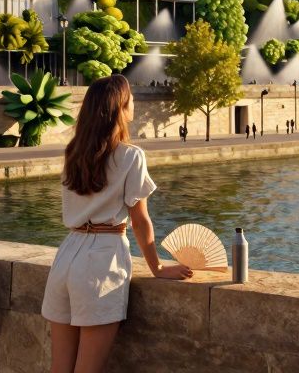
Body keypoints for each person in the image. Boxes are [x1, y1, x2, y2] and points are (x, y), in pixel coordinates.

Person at [42, 75, 191, 373]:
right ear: (120, 108)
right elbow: (140, 220)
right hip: (102, 262)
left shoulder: (73, 153)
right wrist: (157, 267)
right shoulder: (131, 156)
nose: (134, 102)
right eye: (131, 99)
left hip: (66, 256)